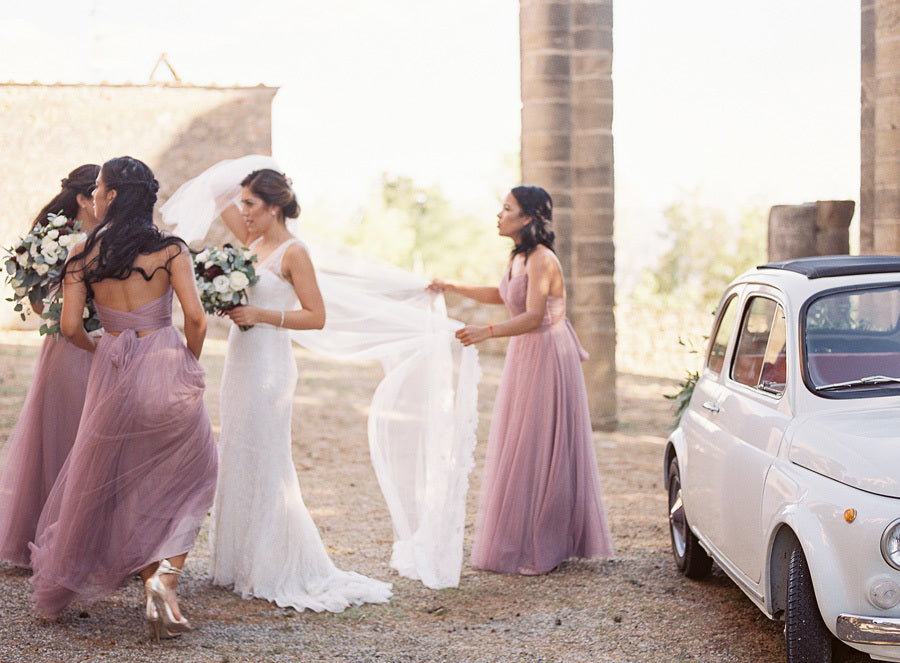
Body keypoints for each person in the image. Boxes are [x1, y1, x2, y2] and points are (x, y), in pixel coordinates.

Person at [27, 157, 218, 640]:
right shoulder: (171, 250)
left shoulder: (81, 254)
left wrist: (105, 350)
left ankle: (105, 581)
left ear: (110, 197)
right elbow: (196, 319)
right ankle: (163, 580)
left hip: (113, 367)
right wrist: (186, 362)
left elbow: (70, 328)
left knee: (113, 478)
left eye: (100, 189)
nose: (94, 197)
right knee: (192, 476)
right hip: (165, 360)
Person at [207, 168, 393, 611]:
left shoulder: (295, 252)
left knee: (266, 454)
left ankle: (273, 563)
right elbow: (217, 192)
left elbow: (316, 315)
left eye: (251, 204)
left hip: (270, 360)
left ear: (274, 207)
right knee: (237, 448)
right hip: (241, 358)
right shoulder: (252, 243)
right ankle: (240, 561)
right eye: (244, 203)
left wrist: (261, 315)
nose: (243, 212)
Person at [428, 185, 614, 575]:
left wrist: (486, 332)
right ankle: (525, 537)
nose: (499, 214)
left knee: (539, 443)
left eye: (507, 208)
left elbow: (533, 316)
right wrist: (452, 286)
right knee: (521, 441)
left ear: (527, 217)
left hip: (547, 352)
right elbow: (502, 295)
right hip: (524, 354)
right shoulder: (520, 257)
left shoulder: (544, 259)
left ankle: (545, 544)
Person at [0, 164, 101, 568]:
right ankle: (58, 539)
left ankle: (74, 535)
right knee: (68, 433)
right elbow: (36, 297)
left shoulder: (95, 239)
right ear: (82, 198)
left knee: (84, 434)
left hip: (87, 343)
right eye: (100, 193)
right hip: (72, 346)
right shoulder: (63, 240)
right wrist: (65, 316)